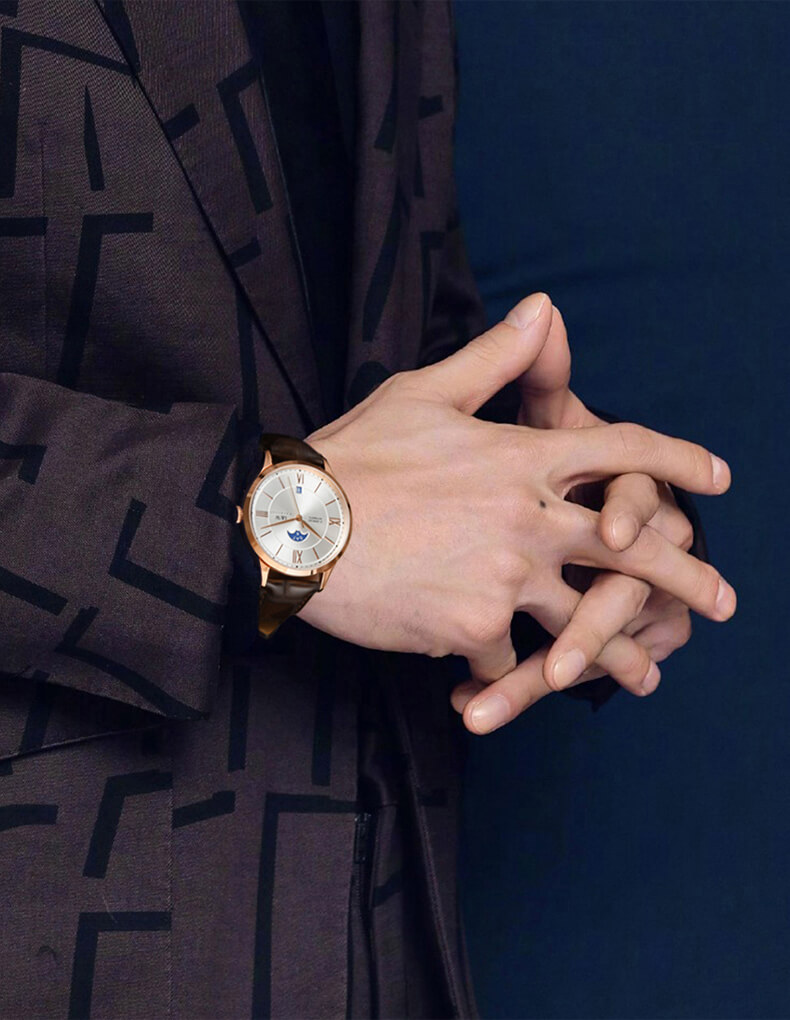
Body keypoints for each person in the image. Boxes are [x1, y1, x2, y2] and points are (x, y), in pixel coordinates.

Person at [0, 2, 734, 1018]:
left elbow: (381, 374)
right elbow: (337, 496)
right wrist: (279, 523)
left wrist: (574, 535)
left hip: (386, 919)